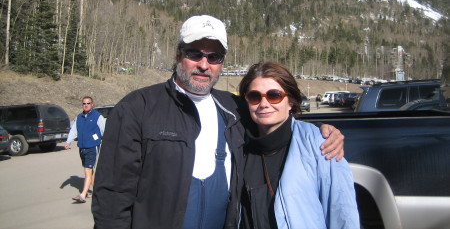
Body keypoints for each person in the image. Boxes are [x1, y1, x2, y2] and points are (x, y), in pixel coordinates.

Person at [92, 15, 345, 229]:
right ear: (178, 54)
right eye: (195, 54)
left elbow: (275, 120)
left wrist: (321, 131)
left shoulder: (235, 108)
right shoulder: (138, 108)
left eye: (214, 57)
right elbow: (112, 197)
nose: (204, 65)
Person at [238, 62, 359, 229]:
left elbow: (342, 213)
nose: (264, 104)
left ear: (291, 101)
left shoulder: (321, 144)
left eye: (274, 95)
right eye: (255, 96)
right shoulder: (239, 146)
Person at [65, 96, 105, 203]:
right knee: (90, 171)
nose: (86, 105)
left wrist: (104, 142)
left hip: (92, 147)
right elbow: (74, 130)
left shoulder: (98, 116)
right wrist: (68, 141)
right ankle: (98, 192)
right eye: (84, 103)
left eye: (88, 103)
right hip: (82, 147)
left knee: (87, 170)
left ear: (92, 104)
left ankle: (83, 194)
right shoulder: (79, 117)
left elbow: (104, 130)